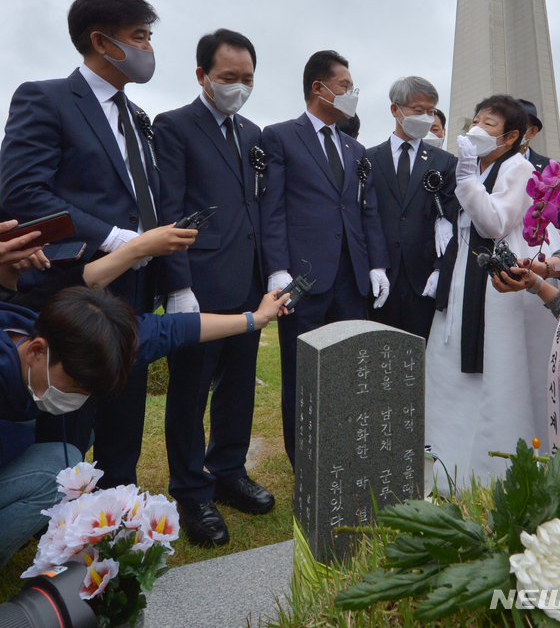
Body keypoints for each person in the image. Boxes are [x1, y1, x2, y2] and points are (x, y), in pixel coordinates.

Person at [0, 235, 286, 567]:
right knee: (54, 473)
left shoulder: (68, 332)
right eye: (75, 384)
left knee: (71, 450)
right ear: (36, 351)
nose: (77, 397)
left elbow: (171, 329)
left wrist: (255, 319)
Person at [0, 0, 162, 487]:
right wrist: (114, 239)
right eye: (139, 36)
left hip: (133, 292)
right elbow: (22, 191)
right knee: (69, 430)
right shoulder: (45, 98)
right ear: (101, 41)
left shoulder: (137, 117)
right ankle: (59, 533)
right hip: (72, 293)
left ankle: (120, 525)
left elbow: (146, 200)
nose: (148, 48)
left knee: (123, 421)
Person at [153, 29, 274, 548]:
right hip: (198, 283)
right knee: (189, 391)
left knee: (239, 386)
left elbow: (259, 207)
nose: (239, 87)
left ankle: (227, 470)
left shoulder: (253, 132)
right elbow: (169, 208)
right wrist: (178, 286)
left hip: (247, 279)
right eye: (229, 78)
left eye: (247, 79)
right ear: (202, 75)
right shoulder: (174, 126)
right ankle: (191, 490)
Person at [425, 94, 560, 488]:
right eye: (476, 119)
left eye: (488, 124)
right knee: (448, 360)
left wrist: (467, 180)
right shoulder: (477, 166)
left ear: (511, 136)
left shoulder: (518, 167)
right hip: (463, 272)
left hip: (498, 275)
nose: (476, 128)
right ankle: (446, 455)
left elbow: (495, 223)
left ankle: (494, 463)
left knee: (498, 361)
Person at [261, 50, 390, 468]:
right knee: (303, 374)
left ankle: (345, 450)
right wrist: (278, 268)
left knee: (349, 367)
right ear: (319, 88)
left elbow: (364, 209)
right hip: (304, 278)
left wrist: (376, 264)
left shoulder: (355, 149)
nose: (351, 95)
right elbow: (273, 207)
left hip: (351, 277)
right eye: (345, 87)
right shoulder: (280, 136)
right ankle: (305, 459)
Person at [366, 77, 456, 342]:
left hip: (425, 278)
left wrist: (441, 269)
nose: (425, 117)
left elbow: (450, 219)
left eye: (430, 111)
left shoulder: (444, 161)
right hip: (380, 277)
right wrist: (374, 265)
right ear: (396, 110)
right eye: (418, 110)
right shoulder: (368, 158)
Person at [518, 99, 550, 172]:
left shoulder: (549, 167)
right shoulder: (490, 163)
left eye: (520, 125)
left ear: (533, 132)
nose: (513, 131)